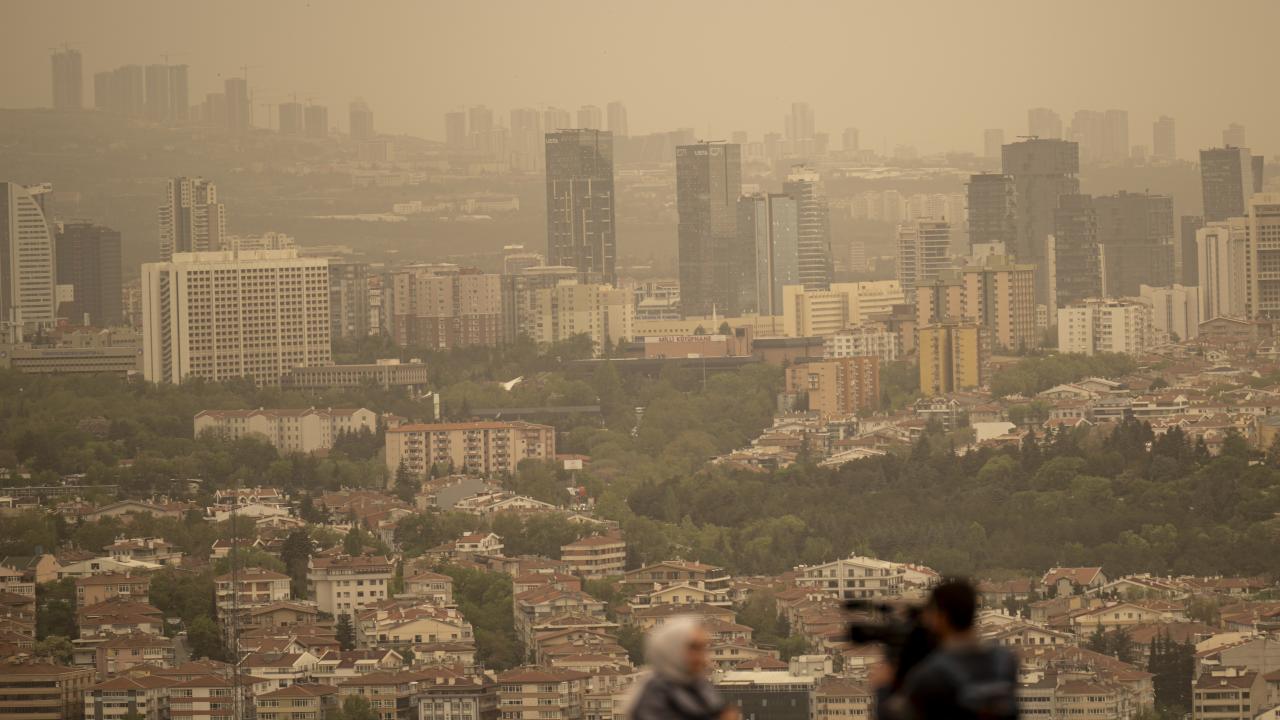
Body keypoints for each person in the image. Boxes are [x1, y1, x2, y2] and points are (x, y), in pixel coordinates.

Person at [873, 579, 1018, 720]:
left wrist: (883, 688)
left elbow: (897, 713)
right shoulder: (1004, 659)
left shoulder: (932, 673)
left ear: (942, 617)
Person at [624, 615, 740, 720]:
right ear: (671, 650)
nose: (703, 658)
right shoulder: (654, 697)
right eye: (694, 648)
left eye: (704, 648)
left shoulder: (701, 688)